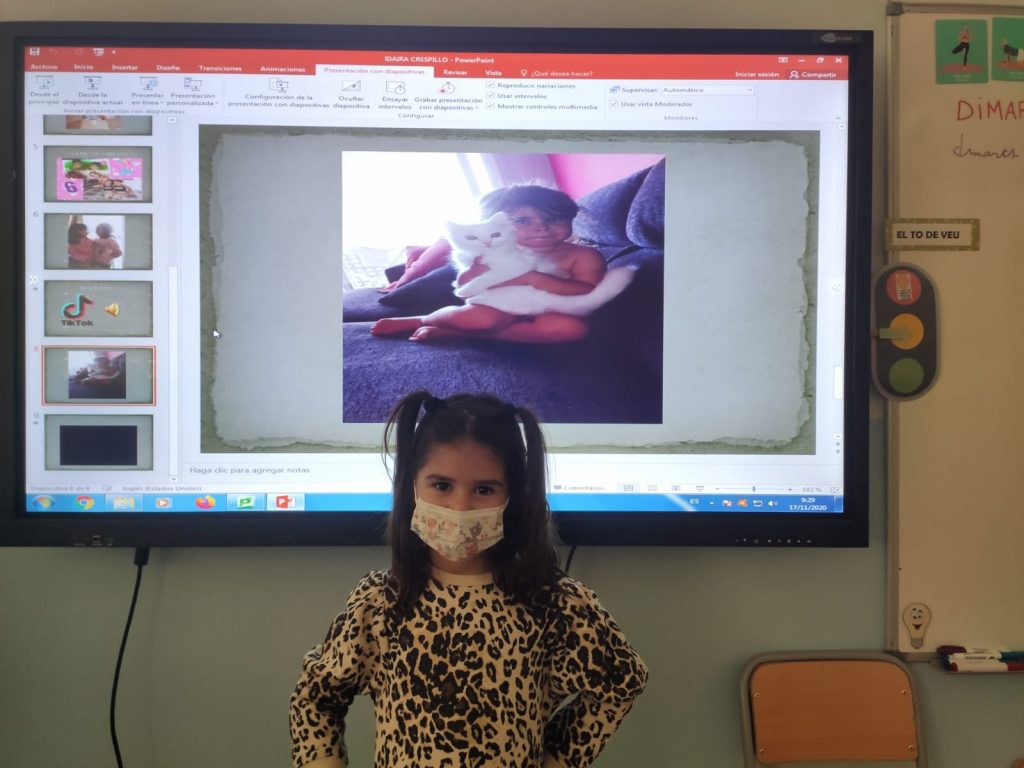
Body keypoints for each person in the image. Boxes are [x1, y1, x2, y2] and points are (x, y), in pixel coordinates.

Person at [290, 391, 647, 768]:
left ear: (513, 496)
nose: (460, 507)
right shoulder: (380, 601)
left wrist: (558, 758)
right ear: (412, 485)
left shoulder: (556, 604)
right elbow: (316, 699)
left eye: (483, 489)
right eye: (442, 485)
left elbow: (622, 681)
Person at [370, 185, 608, 343]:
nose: (541, 227)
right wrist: (477, 272)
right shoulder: (493, 250)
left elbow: (588, 290)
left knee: (571, 329)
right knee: (479, 319)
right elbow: (464, 285)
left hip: (550, 308)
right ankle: (423, 319)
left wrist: (533, 278)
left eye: (553, 219)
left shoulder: (583, 255)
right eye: (522, 221)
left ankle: (465, 334)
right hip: (499, 307)